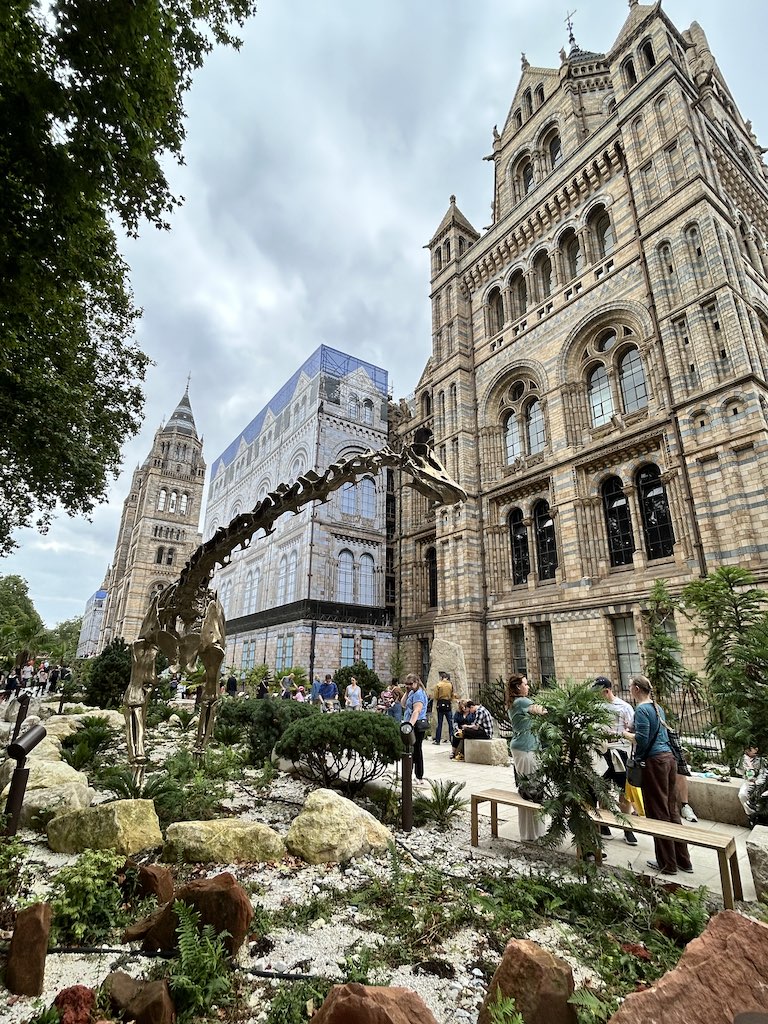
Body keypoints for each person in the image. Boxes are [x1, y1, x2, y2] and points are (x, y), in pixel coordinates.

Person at [623, 674, 693, 876]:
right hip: (668, 760)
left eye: (630, 687)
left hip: (655, 763)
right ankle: (683, 859)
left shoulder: (642, 709)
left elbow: (642, 740)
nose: (629, 690)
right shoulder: (656, 707)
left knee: (658, 811)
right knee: (671, 809)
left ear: (637, 688)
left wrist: (626, 734)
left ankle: (667, 863)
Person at [592, 677, 638, 846]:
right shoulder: (595, 707)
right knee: (602, 790)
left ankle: (628, 829)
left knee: (623, 792)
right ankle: (604, 825)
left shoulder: (624, 707)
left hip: (620, 752)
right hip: (602, 751)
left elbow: (632, 728)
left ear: (606, 691)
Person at [505, 674, 547, 841]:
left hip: (524, 747)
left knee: (529, 788)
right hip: (526, 748)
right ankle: (531, 833)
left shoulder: (515, 702)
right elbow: (543, 711)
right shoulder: (522, 702)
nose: (528, 687)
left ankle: (534, 831)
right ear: (517, 687)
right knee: (531, 789)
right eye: (525, 684)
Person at [404, 672, 429, 785]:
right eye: (406, 684)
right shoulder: (412, 693)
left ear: (416, 683)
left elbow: (416, 711)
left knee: (416, 750)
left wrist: (410, 725)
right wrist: (406, 692)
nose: (408, 686)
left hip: (416, 725)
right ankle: (408, 773)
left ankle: (419, 776)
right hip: (411, 724)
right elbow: (403, 704)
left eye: (410, 684)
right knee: (411, 750)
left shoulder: (419, 694)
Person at [738, 745, 766, 825]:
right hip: (748, 782)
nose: (755, 750)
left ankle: (760, 817)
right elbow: (739, 771)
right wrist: (746, 772)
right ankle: (751, 815)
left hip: (760, 783)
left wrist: (757, 781)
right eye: (753, 749)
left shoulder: (761, 760)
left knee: (760, 797)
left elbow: (763, 772)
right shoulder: (742, 759)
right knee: (742, 795)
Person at [432, 670, 455, 745]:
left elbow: (435, 696)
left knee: (440, 723)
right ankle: (452, 739)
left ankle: (437, 740)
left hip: (440, 703)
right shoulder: (450, 685)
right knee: (450, 723)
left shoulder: (438, 685)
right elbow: (452, 695)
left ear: (442, 678)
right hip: (448, 704)